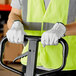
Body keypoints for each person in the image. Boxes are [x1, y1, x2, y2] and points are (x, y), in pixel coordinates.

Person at [6, 0, 76, 72]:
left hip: (67, 64)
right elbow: (15, 14)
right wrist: (15, 24)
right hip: (31, 62)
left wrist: (63, 29)